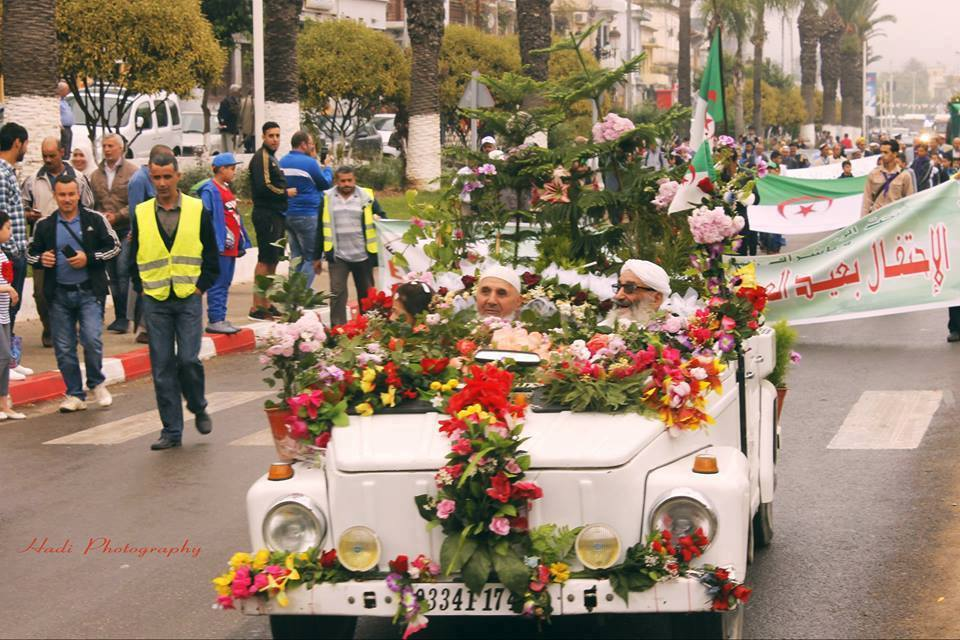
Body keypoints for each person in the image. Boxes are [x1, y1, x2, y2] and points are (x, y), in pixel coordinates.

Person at [128, 148, 219, 450]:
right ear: (150, 177)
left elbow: (211, 255)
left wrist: (199, 288)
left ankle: (198, 404)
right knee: (162, 366)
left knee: (189, 359)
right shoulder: (142, 213)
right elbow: (134, 255)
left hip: (188, 297)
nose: (163, 182)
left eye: (168, 176)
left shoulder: (196, 209)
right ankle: (171, 431)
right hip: (155, 300)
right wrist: (140, 287)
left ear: (178, 176)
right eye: (157, 177)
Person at [27, 175, 119, 412]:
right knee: (64, 347)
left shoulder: (95, 220)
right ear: (55, 196)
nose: (67, 199)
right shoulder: (45, 225)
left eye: (71, 194)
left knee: (91, 339)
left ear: (78, 194)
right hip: (58, 295)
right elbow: (30, 253)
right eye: (62, 195)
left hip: (89, 291)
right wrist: (41, 259)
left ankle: (97, 383)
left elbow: (114, 247)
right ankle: (74, 393)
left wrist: (89, 258)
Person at [21, 136, 94, 348]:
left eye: (52, 155)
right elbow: (21, 207)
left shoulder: (78, 178)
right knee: (42, 290)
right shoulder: (33, 180)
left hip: (74, 241)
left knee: (76, 286)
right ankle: (49, 328)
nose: (48, 159)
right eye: (44, 155)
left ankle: (74, 326)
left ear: (62, 152)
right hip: (44, 243)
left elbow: (90, 206)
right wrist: (29, 215)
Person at [312, 166, 386, 327]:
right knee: (337, 294)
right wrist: (316, 257)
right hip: (338, 257)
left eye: (349, 180)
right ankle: (338, 331)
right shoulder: (327, 198)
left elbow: (384, 219)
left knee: (367, 296)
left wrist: (378, 218)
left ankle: (369, 329)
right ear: (336, 181)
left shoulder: (366, 197)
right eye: (342, 181)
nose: (346, 184)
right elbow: (320, 228)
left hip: (363, 256)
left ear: (355, 180)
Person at [196, 152, 250, 334]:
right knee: (218, 282)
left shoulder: (226, 188)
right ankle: (215, 318)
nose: (234, 172)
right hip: (220, 245)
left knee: (225, 282)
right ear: (222, 169)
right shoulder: (210, 190)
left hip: (231, 246)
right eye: (232, 168)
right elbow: (206, 216)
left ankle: (220, 316)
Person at [90, 133, 138, 334]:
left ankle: (124, 317)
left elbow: (136, 202)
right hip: (106, 232)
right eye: (104, 146)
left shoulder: (132, 172)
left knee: (122, 271)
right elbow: (93, 202)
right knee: (112, 275)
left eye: (111, 146)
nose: (107, 149)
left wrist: (118, 215)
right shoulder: (96, 175)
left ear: (121, 148)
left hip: (125, 228)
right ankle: (119, 315)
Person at [248, 121, 295, 320]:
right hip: (266, 213)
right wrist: (285, 192)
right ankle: (257, 305)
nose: (275, 139)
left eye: (277, 135)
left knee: (274, 259)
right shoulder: (262, 158)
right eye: (271, 136)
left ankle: (267, 302)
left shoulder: (272, 158)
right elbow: (264, 186)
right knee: (265, 259)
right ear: (263, 137)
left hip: (276, 214)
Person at [280, 131, 330, 289]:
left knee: (296, 257)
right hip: (307, 214)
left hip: (289, 213)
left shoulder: (282, 161)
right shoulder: (309, 163)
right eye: (311, 143)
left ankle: (291, 293)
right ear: (303, 144)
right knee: (312, 257)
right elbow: (324, 184)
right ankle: (300, 294)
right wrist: (327, 168)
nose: (313, 146)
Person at [0, 123, 31, 380]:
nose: (26, 149)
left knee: (11, 310)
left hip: (17, 251)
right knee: (4, 311)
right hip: (8, 253)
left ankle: (10, 359)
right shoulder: (1, 173)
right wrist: (9, 251)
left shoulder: (9, 172)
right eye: (26, 144)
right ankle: (4, 364)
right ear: (18, 143)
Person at [127, 146, 164, 345]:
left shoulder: (153, 179)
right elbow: (136, 212)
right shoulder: (139, 180)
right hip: (144, 240)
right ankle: (143, 326)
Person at [0, 211, 25, 419]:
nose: (10, 230)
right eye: (7, 227)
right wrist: (7, 289)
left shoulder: (2, 251)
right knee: (4, 356)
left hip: (3, 312)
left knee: (6, 359)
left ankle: (4, 404)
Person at [601, 260, 671, 328]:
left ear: (656, 299)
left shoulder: (672, 337)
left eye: (629, 288)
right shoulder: (599, 331)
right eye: (618, 287)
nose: (618, 296)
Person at [862, 140, 914, 217]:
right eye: (881, 152)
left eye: (886, 152)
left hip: (895, 219)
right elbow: (866, 200)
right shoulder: (873, 174)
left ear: (894, 154)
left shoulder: (904, 175)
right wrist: (863, 221)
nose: (882, 155)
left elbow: (909, 200)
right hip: (877, 217)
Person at [217, 85, 241, 153]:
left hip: (227, 128)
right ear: (234, 92)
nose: (240, 93)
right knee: (230, 149)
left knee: (225, 149)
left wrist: (222, 122)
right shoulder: (230, 102)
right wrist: (223, 121)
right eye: (238, 91)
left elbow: (219, 114)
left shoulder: (226, 101)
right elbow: (230, 113)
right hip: (231, 128)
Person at [58, 81, 74, 155]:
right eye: (66, 90)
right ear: (61, 90)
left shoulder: (64, 101)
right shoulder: (58, 102)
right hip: (63, 128)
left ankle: (66, 157)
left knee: (68, 147)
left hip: (68, 128)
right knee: (64, 147)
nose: (68, 91)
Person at [238, 89, 256, 153]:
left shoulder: (243, 101)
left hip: (245, 129)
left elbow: (240, 114)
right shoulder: (257, 101)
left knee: (247, 149)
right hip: (254, 131)